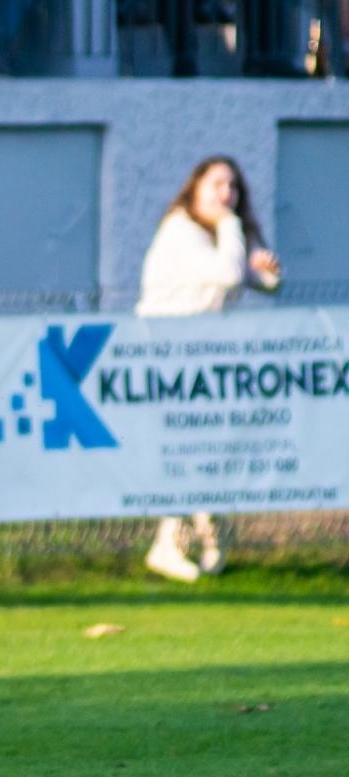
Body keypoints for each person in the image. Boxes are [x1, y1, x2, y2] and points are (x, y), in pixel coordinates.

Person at [136, 155, 282, 583]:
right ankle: (176, 541)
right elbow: (229, 274)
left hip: (199, 359)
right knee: (186, 446)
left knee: (204, 444)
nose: (226, 194)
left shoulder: (215, 232)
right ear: (195, 186)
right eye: (218, 183)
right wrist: (232, 226)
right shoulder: (180, 229)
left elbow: (262, 279)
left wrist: (267, 270)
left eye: (233, 187)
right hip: (165, 356)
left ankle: (203, 535)